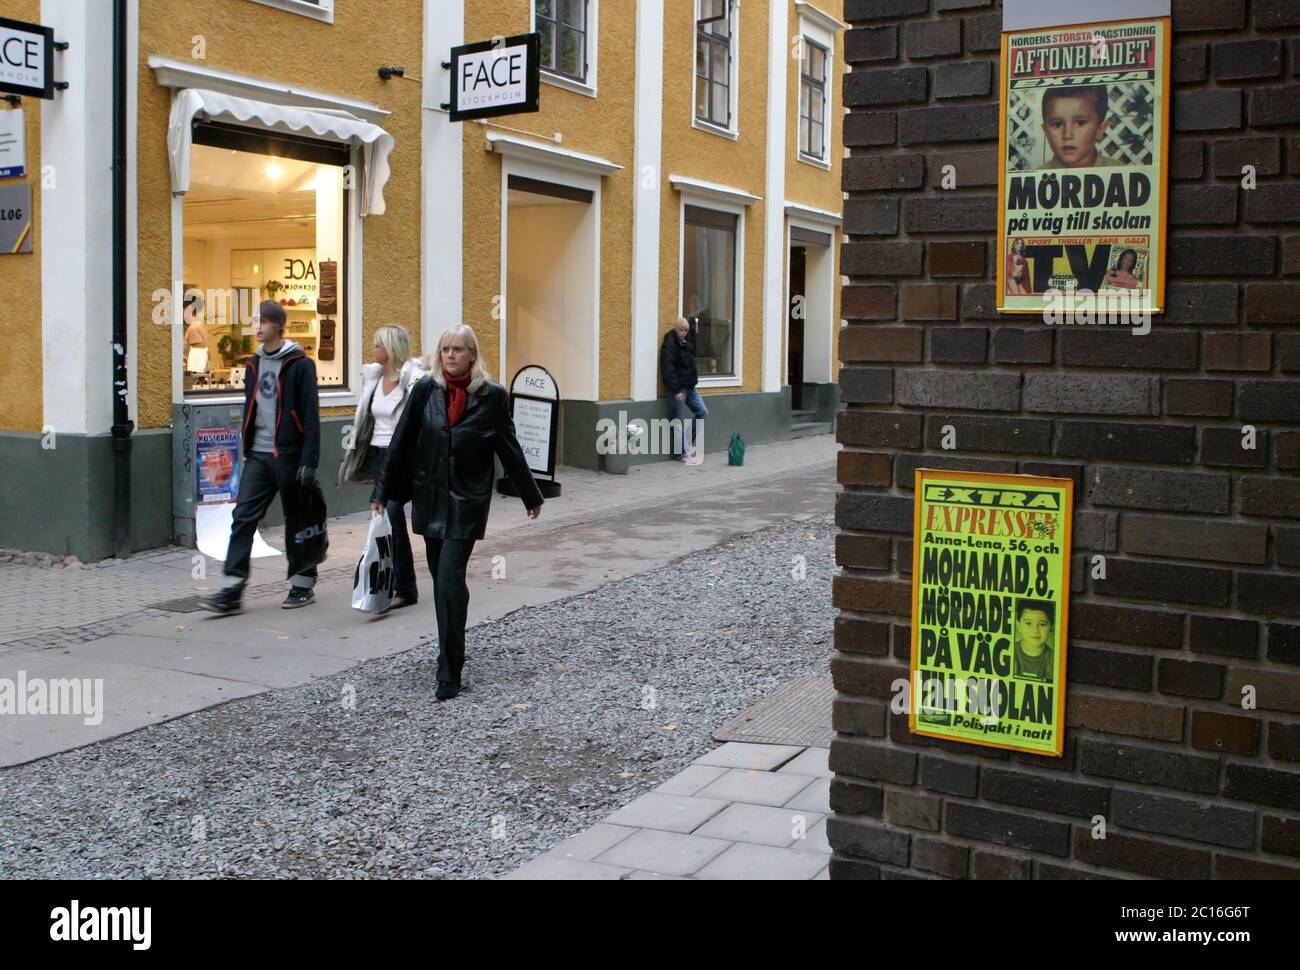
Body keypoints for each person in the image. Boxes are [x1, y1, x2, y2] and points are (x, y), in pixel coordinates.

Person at [377, 324, 543, 701]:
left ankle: (449, 670)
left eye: (458, 349)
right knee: (444, 582)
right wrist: (383, 492)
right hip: (431, 499)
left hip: (467, 503)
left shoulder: (492, 396)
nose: (450, 355)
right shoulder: (425, 391)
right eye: (445, 349)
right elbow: (401, 442)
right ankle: (452, 641)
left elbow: (509, 448)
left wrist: (529, 494)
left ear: (472, 354)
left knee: (449, 577)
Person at [198, 300, 321, 614]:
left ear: (278, 327)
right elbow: (251, 407)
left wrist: (310, 461)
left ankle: (303, 583)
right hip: (258, 455)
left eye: (263, 322)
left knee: (298, 519)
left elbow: (310, 415)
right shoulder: (253, 364)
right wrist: (246, 446)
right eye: (256, 321)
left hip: (289, 455)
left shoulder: (299, 364)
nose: (258, 327)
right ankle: (232, 588)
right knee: (242, 517)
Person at [339, 325, 430, 609]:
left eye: (378, 345)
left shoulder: (414, 382)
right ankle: (397, 586)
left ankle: (405, 587)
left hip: (404, 457)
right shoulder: (375, 378)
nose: (373, 349)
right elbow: (367, 420)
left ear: (390, 349)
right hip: (379, 455)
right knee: (389, 518)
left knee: (392, 514)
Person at [660, 317, 708, 465]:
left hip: (690, 387)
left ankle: (685, 445)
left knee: (703, 412)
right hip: (678, 389)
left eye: (686, 330)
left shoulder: (686, 344)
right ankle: (680, 453)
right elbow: (668, 370)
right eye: (681, 330)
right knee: (677, 422)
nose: (683, 333)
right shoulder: (669, 346)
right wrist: (675, 390)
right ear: (675, 329)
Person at [1041, 84, 1123, 169]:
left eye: (1080, 123)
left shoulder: (1121, 170)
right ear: (1046, 131)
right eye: (1057, 125)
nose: (1067, 135)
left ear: (1100, 129)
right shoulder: (1037, 175)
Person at [1012, 600, 1055, 683]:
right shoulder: (1009, 651)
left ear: (1051, 627)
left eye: (1042, 624)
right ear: (1019, 626)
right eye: (1028, 623)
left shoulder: (1054, 658)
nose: (1035, 630)